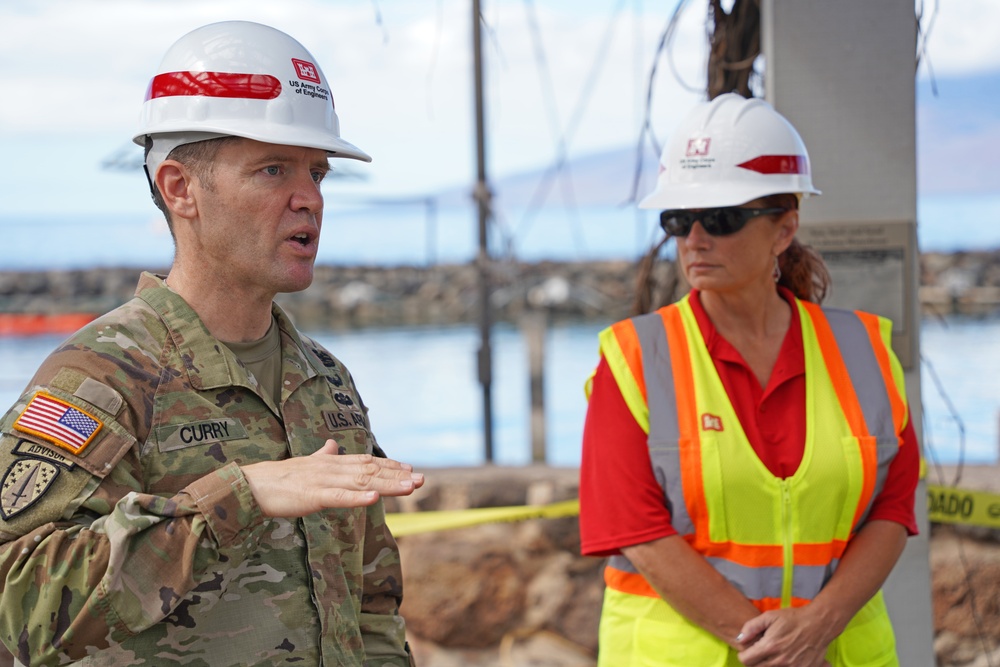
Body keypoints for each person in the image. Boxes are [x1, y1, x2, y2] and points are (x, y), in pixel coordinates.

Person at [0, 20, 424, 666]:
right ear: (180, 189)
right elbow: (16, 599)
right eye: (273, 169)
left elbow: (372, 602)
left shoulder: (326, 383)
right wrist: (237, 498)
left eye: (318, 172)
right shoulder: (104, 376)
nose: (308, 198)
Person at [578, 93, 920, 666]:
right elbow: (637, 531)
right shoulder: (634, 359)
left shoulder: (864, 351)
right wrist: (781, 647)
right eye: (678, 221)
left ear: (785, 228)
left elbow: (893, 506)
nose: (694, 239)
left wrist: (822, 624)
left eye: (722, 219)